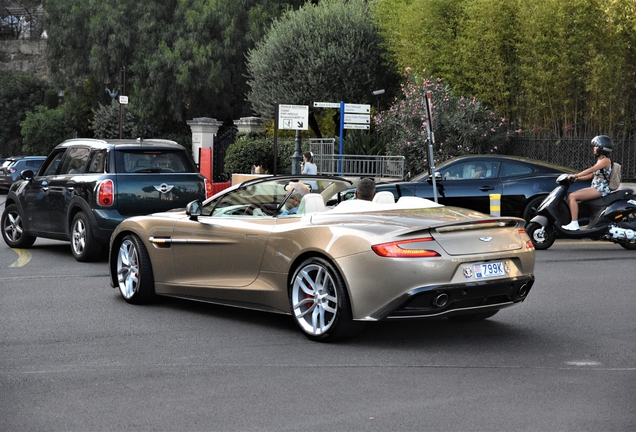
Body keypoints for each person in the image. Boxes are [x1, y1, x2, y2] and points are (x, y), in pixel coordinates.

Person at [562, 135, 613, 230]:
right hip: (596, 187)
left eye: (596, 146)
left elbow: (591, 170)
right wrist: (577, 179)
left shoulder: (605, 160)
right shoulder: (600, 160)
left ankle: (574, 224)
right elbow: (591, 175)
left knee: (572, 196)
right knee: (572, 196)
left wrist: (576, 175)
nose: (594, 148)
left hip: (600, 189)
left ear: (602, 148)